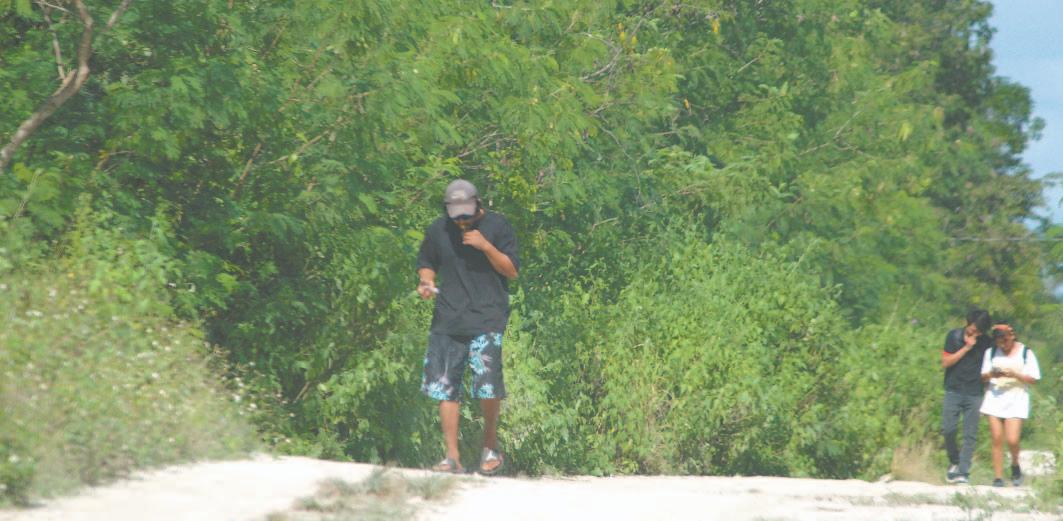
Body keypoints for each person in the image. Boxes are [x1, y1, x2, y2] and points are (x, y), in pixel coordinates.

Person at [416, 179, 519, 475]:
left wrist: (485, 246)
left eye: (466, 214)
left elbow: (512, 270)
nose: (461, 220)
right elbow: (427, 261)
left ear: (478, 205)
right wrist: (426, 281)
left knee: (487, 384)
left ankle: (490, 447)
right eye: (456, 215)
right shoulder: (438, 229)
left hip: (487, 316)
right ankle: (452, 457)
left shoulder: (498, 226)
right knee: (445, 386)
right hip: (448, 317)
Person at [980, 322, 1041, 487]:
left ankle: (1015, 464)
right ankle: (998, 477)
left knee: (1012, 439)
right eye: (999, 342)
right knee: (996, 438)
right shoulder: (991, 353)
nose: (1003, 345)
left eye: (1005, 341)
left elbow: (1033, 379)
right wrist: (992, 374)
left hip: (1016, 398)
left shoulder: (1026, 353)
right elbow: (983, 376)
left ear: (1012, 336)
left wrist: (1015, 374)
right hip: (994, 397)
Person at [940, 309, 992, 484]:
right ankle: (954, 461)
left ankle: (963, 471)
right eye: (973, 329)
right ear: (968, 323)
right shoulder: (954, 336)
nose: (974, 333)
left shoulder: (987, 343)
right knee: (948, 429)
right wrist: (966, 348)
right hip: (953, 389)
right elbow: (945, 362)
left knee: (970, 434)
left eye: (979, 331)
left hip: (975, 392)